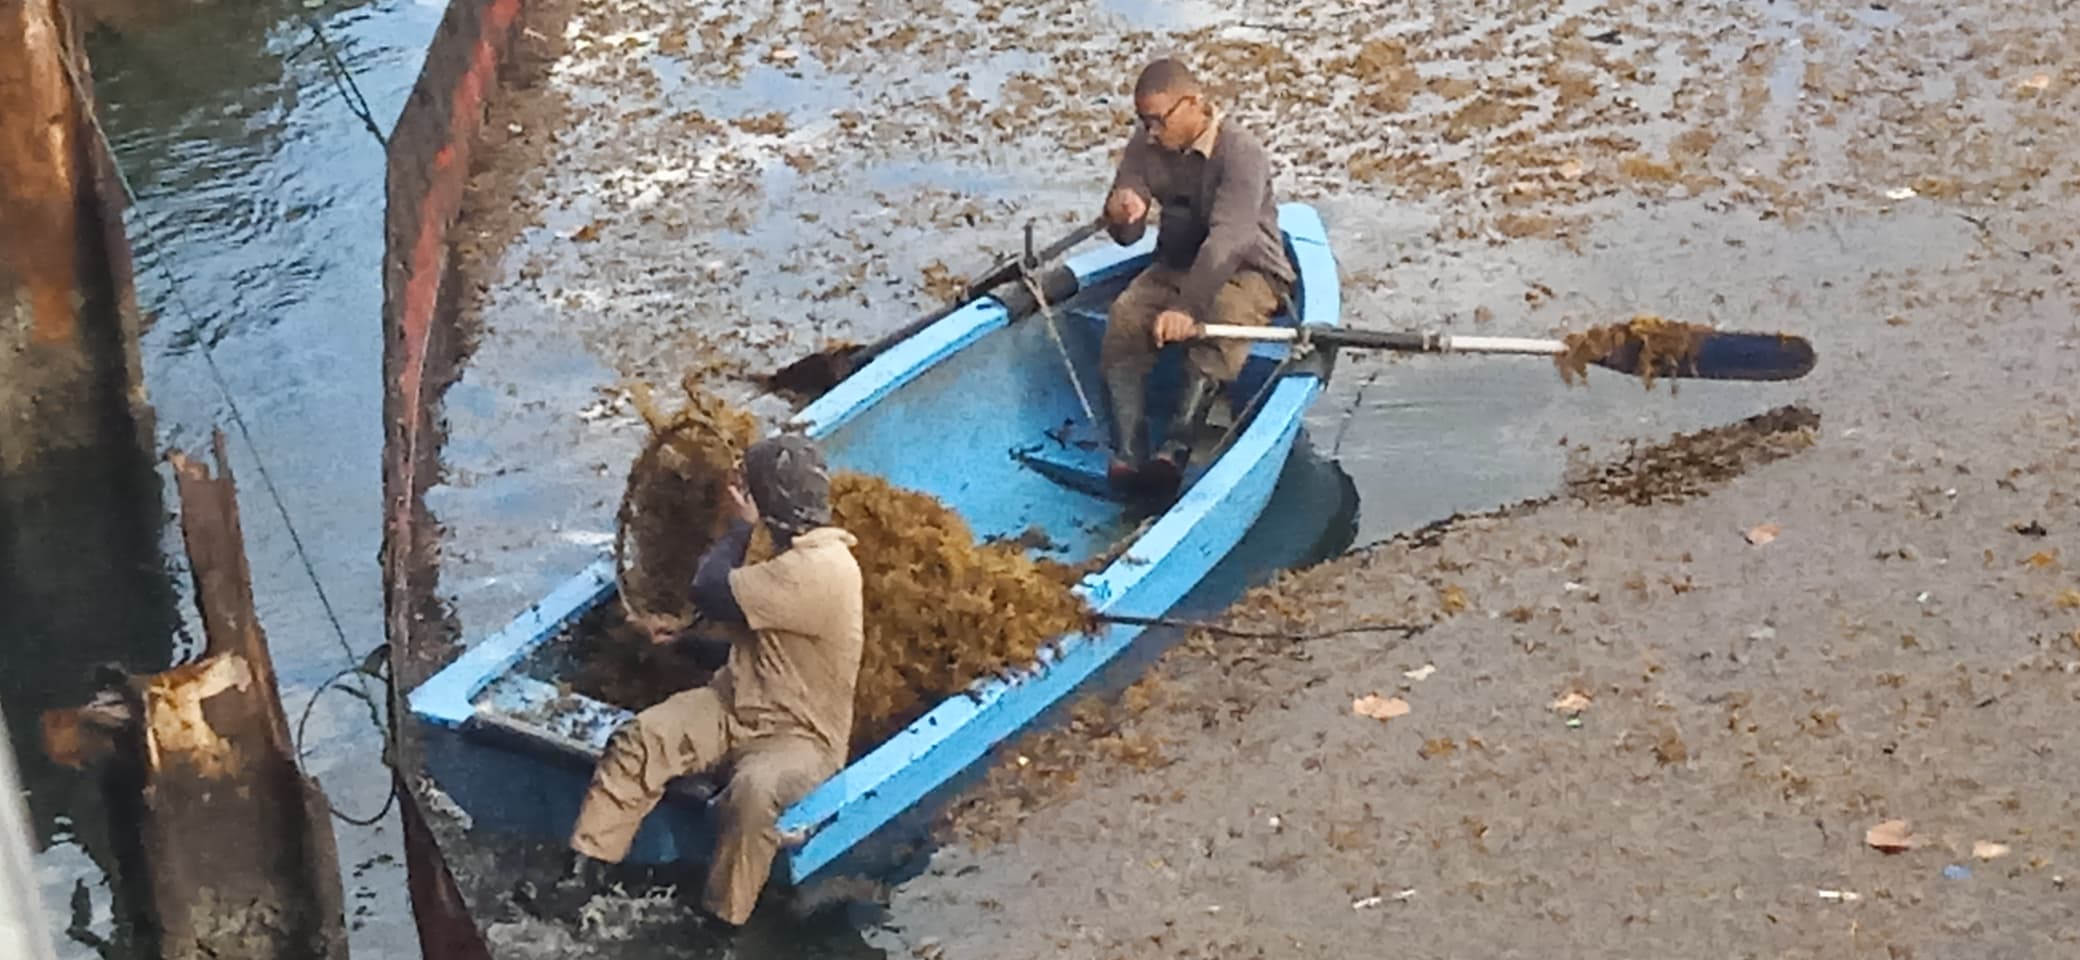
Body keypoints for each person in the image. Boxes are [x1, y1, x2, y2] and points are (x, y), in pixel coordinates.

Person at [517, 434, 865, 931]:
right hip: (734, 704)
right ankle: (581, 878)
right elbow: (758, 652)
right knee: (643, 738)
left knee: (753, 791)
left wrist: (739, 531)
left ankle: (723, 920)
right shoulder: (790, 559)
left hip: (800, 736)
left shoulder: (821, 569)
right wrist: (680, 641)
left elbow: (709, 588)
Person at [1097, 57, 1297, 498]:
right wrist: (1120, 212)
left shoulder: (1241, 152)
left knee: (1221, 319)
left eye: (1158, 120)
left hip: (1251, 269)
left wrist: (1186, 308)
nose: (1150, 132)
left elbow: (1229, 239)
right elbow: (1127, 234)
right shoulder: (1144, 145)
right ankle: (1130, 453)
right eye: (1142, 121)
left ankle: (1176, 448)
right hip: (1178, 262)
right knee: (1126, 315)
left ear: (1193, 104)